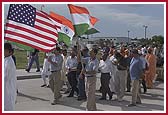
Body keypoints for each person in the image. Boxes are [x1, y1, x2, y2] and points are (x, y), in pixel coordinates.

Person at [4, 42, 17, 111]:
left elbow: (5, 78)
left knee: (7, 108)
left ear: (9, 51)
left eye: (5, 50)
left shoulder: (9, 62)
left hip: (7, 90)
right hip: (5, 90)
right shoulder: (5, 60)